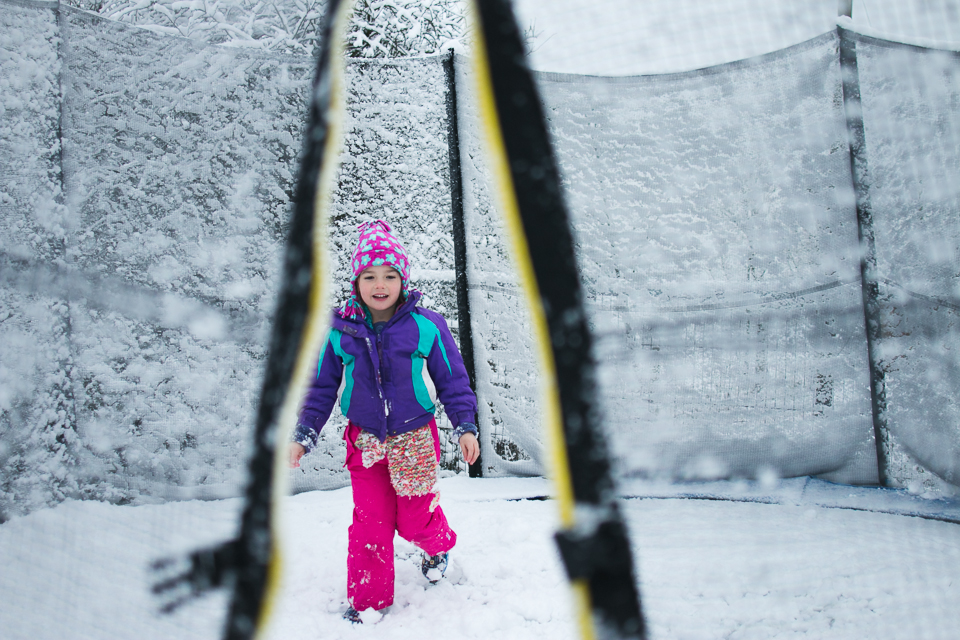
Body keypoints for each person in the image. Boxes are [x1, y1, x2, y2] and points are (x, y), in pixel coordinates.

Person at [288, 219, 480, 623]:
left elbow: (453, 378)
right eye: (370, 275)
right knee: (370, 523)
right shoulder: (340, 330)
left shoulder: (426, 325)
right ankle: (369, 602)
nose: (380, 284)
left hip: (414, 438)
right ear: (357, 281)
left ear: (403, 279)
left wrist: (465, 424)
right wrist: (305, 433)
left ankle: (438, 543)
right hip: (365, 441)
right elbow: (322, 387)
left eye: (390, 275)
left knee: (413, 520)